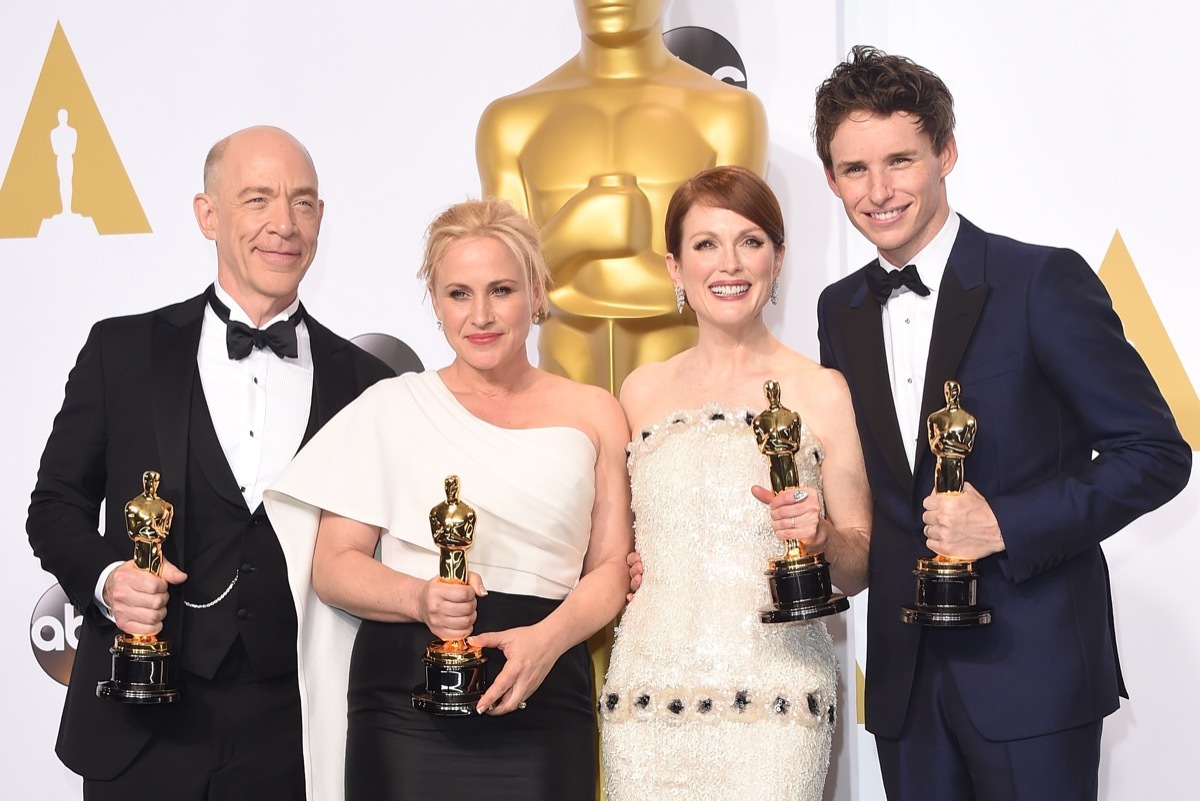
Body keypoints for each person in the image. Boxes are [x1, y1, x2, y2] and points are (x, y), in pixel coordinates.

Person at [813, 46, 1192, 801]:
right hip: (905, 685)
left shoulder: (1040, 280)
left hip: (1033, 674)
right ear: (830, 177)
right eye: (855, 169)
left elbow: (1154, 452)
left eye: (901, 160)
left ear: (946, 153)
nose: (879, 191)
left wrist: (1006, 524)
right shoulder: (839, 308)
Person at [25, 125, 393, 801]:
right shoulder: (122, 350)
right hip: (138, 723)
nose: (283, 223)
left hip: (298, 732)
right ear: (208, 214)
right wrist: (110, 578)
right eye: (258, 199)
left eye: (303, 202)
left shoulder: (367, 381)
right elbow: (54, 506)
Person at [263, 197, 633, 801]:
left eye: (502, 290)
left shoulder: (595, 412)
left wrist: (546, 642)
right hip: (405, 702)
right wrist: (420, 599)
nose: (481, 315)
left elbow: (611, 567)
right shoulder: (389, 407)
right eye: (458, 293)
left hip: (545, 689)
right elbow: (334, 567)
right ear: (435, 303)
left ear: (537, 293)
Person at [599, 165, 871, 801]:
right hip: (648, 697)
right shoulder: (639, 391)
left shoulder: (822, 390)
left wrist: (825, 536)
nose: (730, 264)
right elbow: (618, 549)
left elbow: (858, 564)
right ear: (674, 266)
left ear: (777, 259)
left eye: (750, 241)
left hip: (778, 699)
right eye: (705, 244)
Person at [477, 0, 767, 394]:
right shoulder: (511, 123)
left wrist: (574, 273)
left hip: (690, 397)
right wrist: (575, 232)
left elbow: (731, 279)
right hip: (559, 396)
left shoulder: (727, 114)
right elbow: (501, 286)